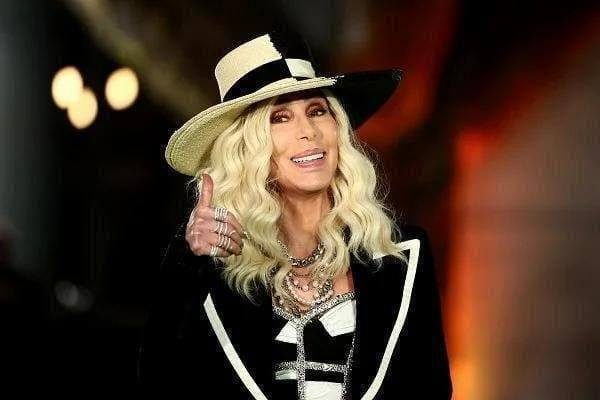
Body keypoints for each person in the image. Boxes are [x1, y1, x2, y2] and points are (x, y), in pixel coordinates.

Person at [137, 31, 452, 399]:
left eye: (317, 111)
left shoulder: (401, 256)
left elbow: (431, 391)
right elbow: (158, 384)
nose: (308, 132)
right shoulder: (210, 270)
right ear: (247, 147)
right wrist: (188, 263)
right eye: (280, 117)